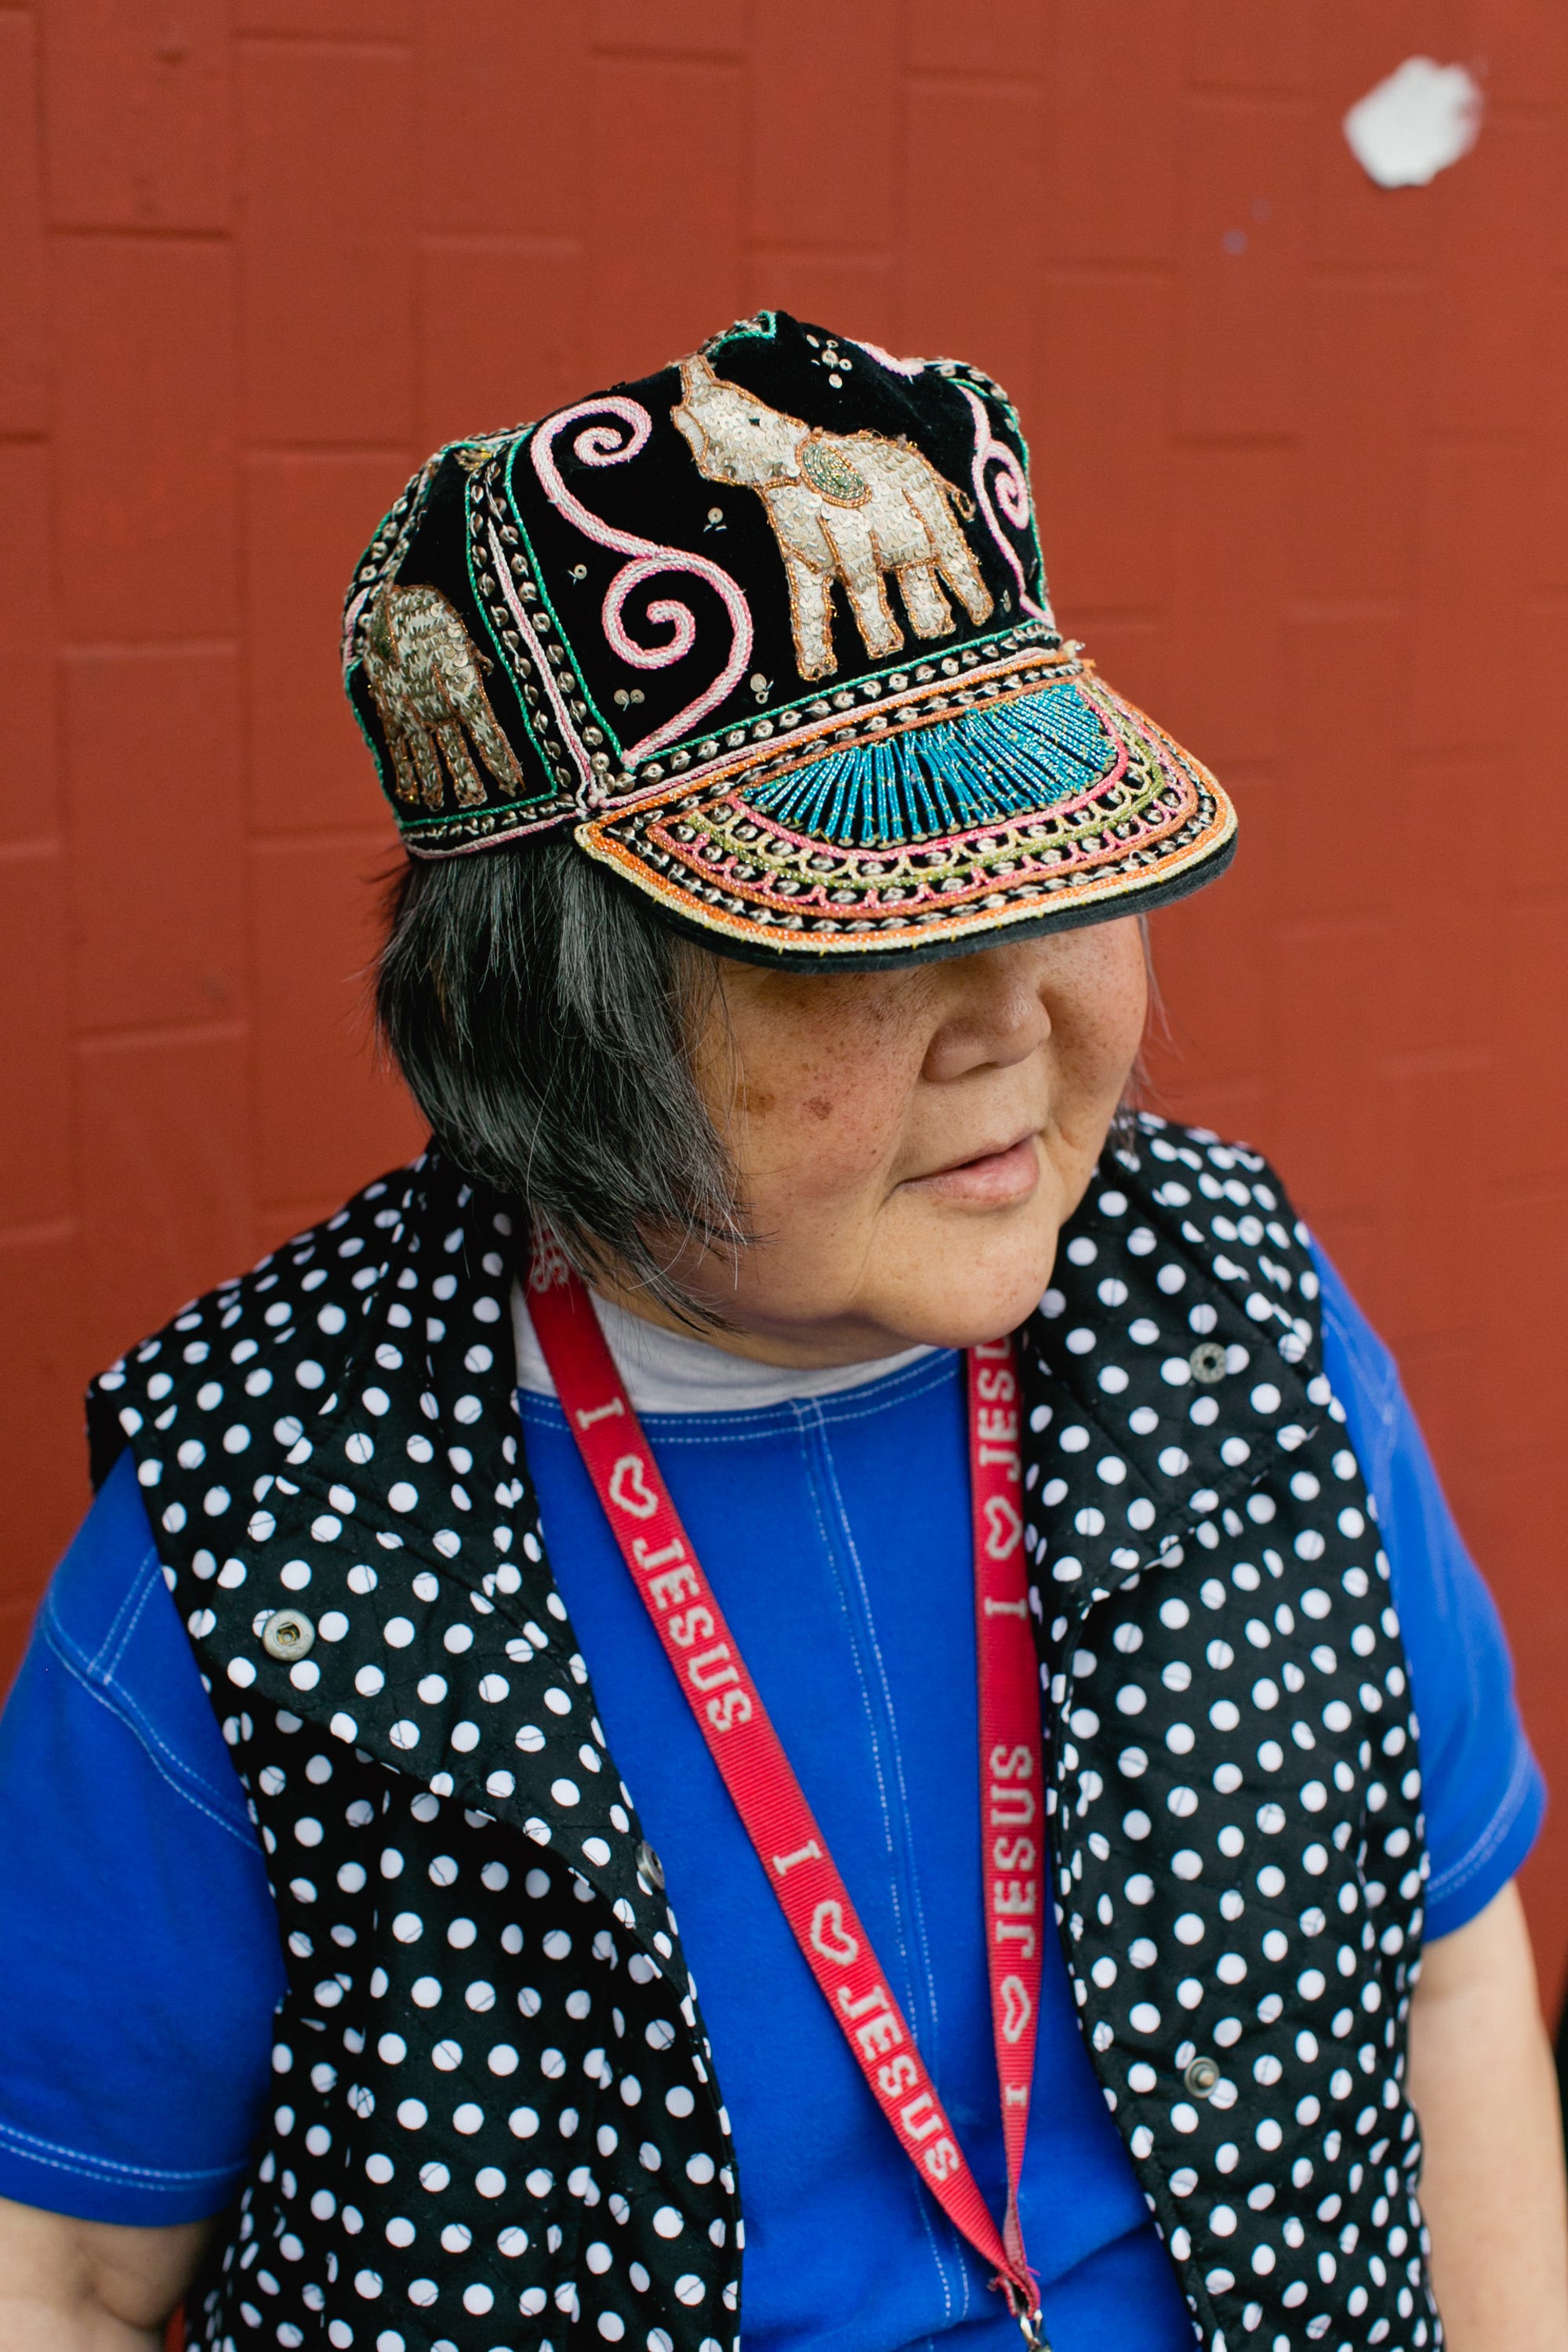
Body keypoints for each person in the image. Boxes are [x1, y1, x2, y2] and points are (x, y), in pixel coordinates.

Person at [0, 310, 1562, 2352]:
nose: (1012, 1017)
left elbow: (1447, 1970)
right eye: (868, 942)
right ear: (542, 1015)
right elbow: (63, 2272)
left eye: (1056, 876)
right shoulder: (266, 1537)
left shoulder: (1238, 1318)